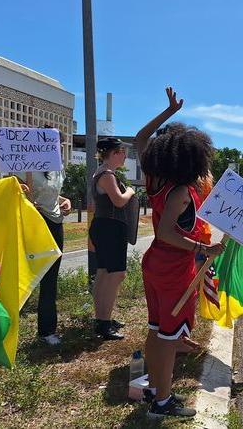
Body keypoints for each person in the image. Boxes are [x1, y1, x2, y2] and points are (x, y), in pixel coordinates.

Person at [135, 87, 224, 419]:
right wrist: (204, 247)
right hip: (173, 269)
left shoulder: (155, 179)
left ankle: (153, 390)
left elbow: (140, 138)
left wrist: (168, 112)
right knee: (169, 339)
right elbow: (167, 232)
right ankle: (163, 401)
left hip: (153, 264)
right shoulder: (182, 192)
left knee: (157, 331)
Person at [20, 138, 71, 345]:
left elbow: (54, 194)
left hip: (54, 224)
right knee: (22, 275)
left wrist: (65, 201)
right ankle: (4, 327)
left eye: (59, 145)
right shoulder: (26, 167)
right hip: (33, 224)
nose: (57, 148)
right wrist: (25, 198)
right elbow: (16, 192)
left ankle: (47, 330)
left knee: (50, 279)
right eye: (52, 144)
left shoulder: (58, 168)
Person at [89, 137, 136, 340]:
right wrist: (131, 191)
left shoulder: (101, 172)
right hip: (110, 228)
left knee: (103, 273)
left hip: (104, 226)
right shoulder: (107, 175)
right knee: (116, 275)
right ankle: (104, 323)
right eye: (122, 152)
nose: (125, 156)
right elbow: (118, 201)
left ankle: (102, 318)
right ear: (114, 153)